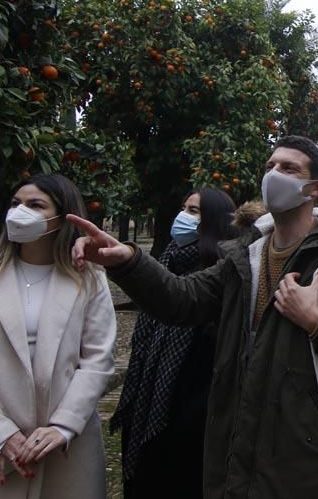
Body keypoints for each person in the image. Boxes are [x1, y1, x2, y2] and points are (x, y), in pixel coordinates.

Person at [69, 135, 318, 498]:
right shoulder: (244, 255)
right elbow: (181, 300)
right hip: (234, 456)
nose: (274, 174)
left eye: (288, 168)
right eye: (270, 166)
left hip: (307, 463)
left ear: (316, 188)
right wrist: (127, 260)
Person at [0, 174, 116, 498]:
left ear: (63, 217)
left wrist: (64, 425)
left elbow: (97, 360)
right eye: (15, 204)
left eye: (35, 205)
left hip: (63, 452)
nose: (19, 212)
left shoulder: (90, 280)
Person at [111, 188, 241, 498]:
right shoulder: (165, 262)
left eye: (194, 211)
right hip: (148, 405)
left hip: (192, 423)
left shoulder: (224, 274)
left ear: (215, 221)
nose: (183, 216)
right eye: (184, 207)